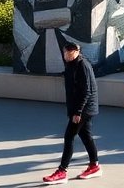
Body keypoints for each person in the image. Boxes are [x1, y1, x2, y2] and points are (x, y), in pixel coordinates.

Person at [44, 42, 102, 183]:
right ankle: (95, 166)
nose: (66, 54)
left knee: (69, 137)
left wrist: (78, 112)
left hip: (83, 110)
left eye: (70, 52)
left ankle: (62, 171)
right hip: (79, 109)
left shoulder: (82, 65)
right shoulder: (71, 65)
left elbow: (86, 91)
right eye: (65, 52)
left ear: (77, 52)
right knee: (86, 135)